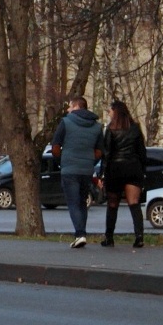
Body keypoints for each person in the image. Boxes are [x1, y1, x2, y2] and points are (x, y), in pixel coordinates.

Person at [50, 96, 105, 248]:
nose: (67, 109)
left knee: (73, 202)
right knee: (82, 202)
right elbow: (100, 151)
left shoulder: (66, 122)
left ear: (76, 107)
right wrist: (89, 161)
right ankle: (82, 233)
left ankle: (80, 234)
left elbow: (55, 146)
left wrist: (62, 160)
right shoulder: (96, 127)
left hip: (69, 169)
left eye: (69, 106)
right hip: (87, 170)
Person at [100, 99, 148, 248]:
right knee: (134, 203)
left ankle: (109, 237)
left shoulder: (111, 129)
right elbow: (142, 152)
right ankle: (139, 237)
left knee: (112, 204)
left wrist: (102, 173)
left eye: (110, 110)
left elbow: (106, 154)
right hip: (133, 168)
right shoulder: (135, 128)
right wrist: (142, 170)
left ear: (116, 112)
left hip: (115, 169)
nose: (109, 113)